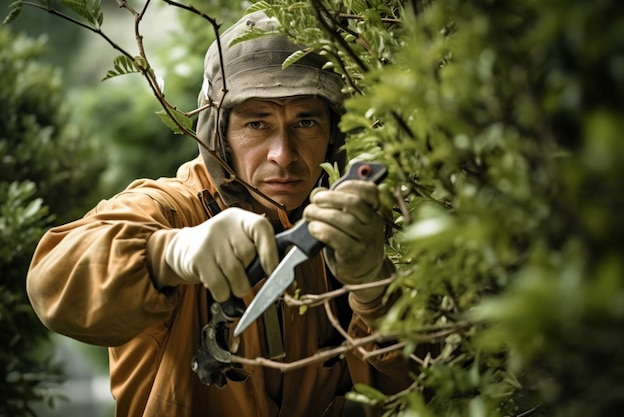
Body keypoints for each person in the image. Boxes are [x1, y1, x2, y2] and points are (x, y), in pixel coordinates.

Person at [26, 10, 416, 417]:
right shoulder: (171, 210)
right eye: (256, 124)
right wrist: (168, 255)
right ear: (220, 133)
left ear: (332, 134)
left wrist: (374, 292)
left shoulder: (349, 232)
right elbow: (52, 283)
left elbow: (410, 393)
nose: (283, 155)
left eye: (305, 122)